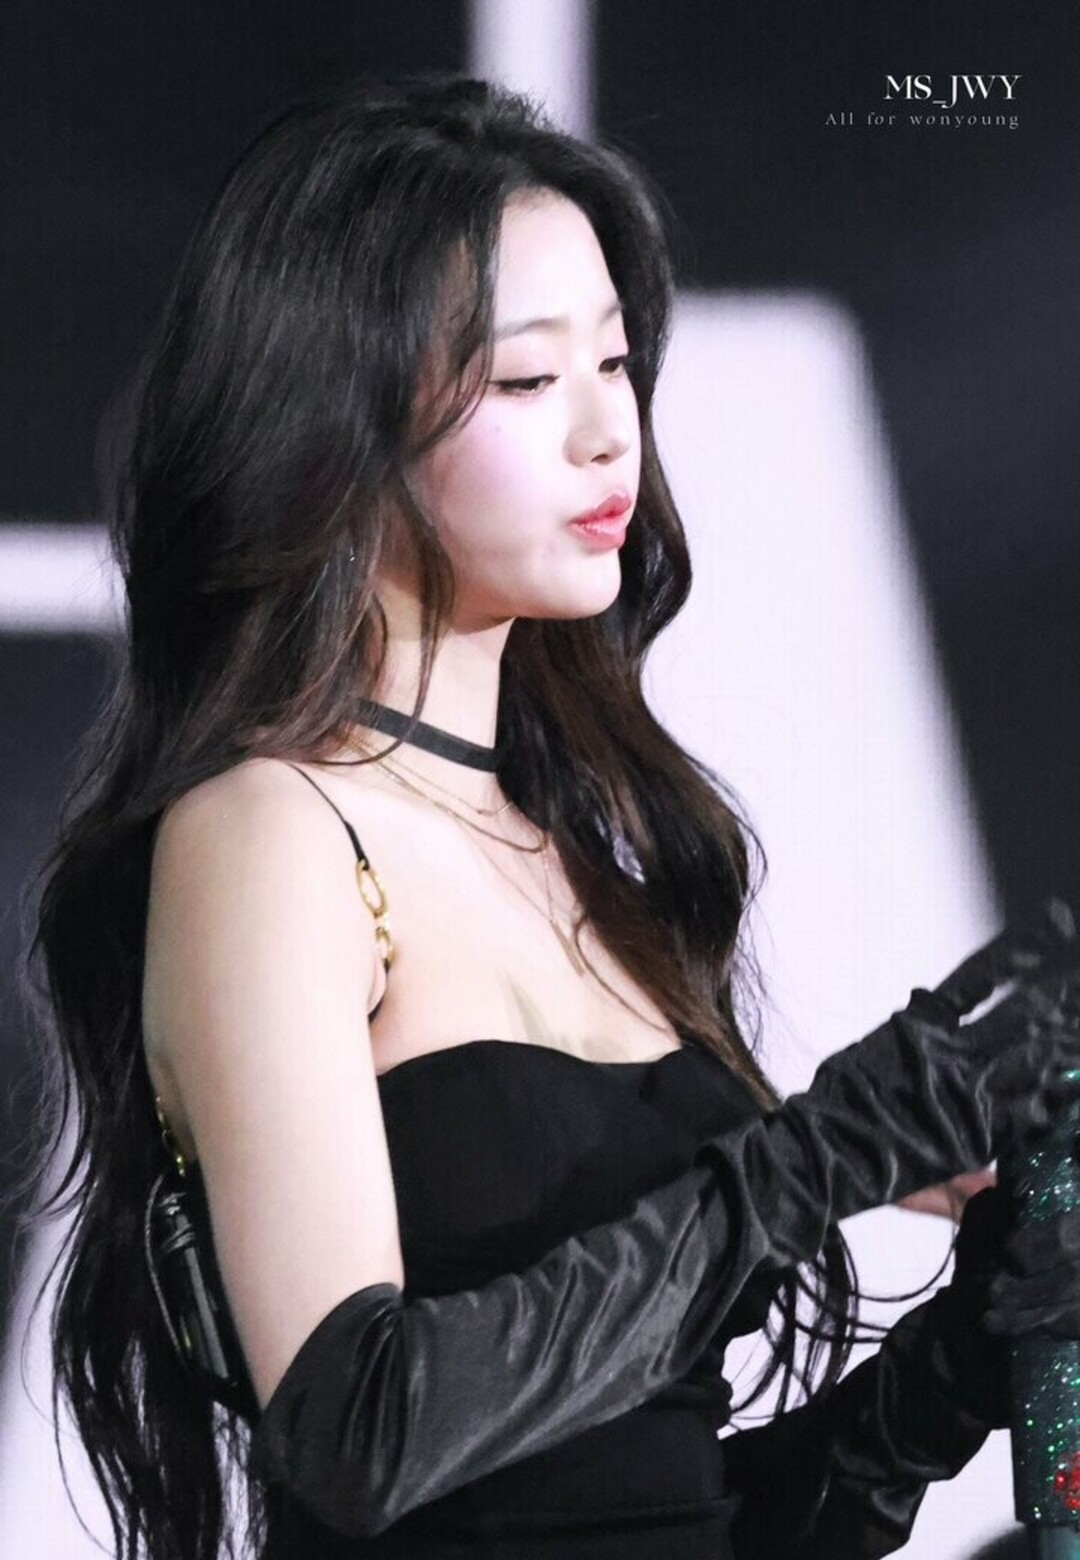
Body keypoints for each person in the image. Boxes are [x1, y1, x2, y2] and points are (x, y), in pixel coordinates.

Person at [19, 73, 1080, 1560]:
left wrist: (953, 1367)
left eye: (617, 362)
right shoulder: (271, 831)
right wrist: (820, 1158)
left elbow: (652, 1508)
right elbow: (360, 1434)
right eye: (526, 381)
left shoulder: (585, 855)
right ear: (336, 423)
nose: (606, 433)